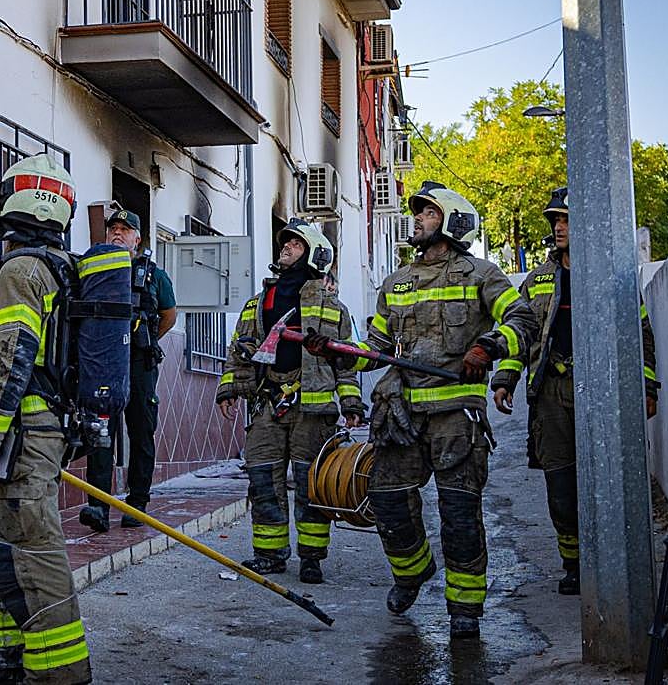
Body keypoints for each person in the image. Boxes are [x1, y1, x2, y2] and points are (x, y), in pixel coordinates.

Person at [310, 181, 538, 639]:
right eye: (418, 214)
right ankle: (412, 572)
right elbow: (373, 349)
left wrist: (488, 347)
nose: (416, 219)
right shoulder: (395, 284)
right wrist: (335, 350)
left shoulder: (481, 275)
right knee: (389, 502)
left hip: (457, 416)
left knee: (459, 513)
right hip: (400, 415)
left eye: (427, 213)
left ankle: (466, 609)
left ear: (452, 223)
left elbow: (523, 319)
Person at [0, 154, 91, 684]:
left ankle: (60, 676)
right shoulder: (47, 267)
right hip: (19, 432)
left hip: (19, 437)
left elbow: (13, 356)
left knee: (30, 557)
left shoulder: (21, 270)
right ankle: (1, 660)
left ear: (12, 199)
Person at [490, 186, 659, 595]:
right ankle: (574, 563)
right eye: (556, 221)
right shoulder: (538, 280)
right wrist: (505, 379)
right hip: (551, 393)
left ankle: (615, 561)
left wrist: (647, 385)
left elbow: (640, 334)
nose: (559, 227)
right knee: (561, 485)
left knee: (608, 478)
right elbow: (524, 335)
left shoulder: (610, 274)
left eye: (565, 220)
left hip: (603, 391)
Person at [215, 218, 365, 584]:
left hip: (313, 412)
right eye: (286, 244)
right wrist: (229, 387)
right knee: (262, 479)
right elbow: (240, 350)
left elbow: (346, 362)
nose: (286, 247)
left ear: (314, 254)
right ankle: (269, 554)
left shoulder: (331, 308)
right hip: (267, 403)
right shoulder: (258, 303)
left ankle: (312, 558)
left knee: (311, 484)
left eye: (296, 244)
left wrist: (352, 405)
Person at [79, 207, 176, 532]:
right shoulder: (95, 269)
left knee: (141, 431)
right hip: (104, 362)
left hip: (139, 362)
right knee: (100, 431)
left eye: (125, 229)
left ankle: (137, 502)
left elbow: (168, 315)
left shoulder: (153, 275)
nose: (117, 233)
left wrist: (144, 340)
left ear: (137, 238)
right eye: (113, 228)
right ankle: (98, 506)